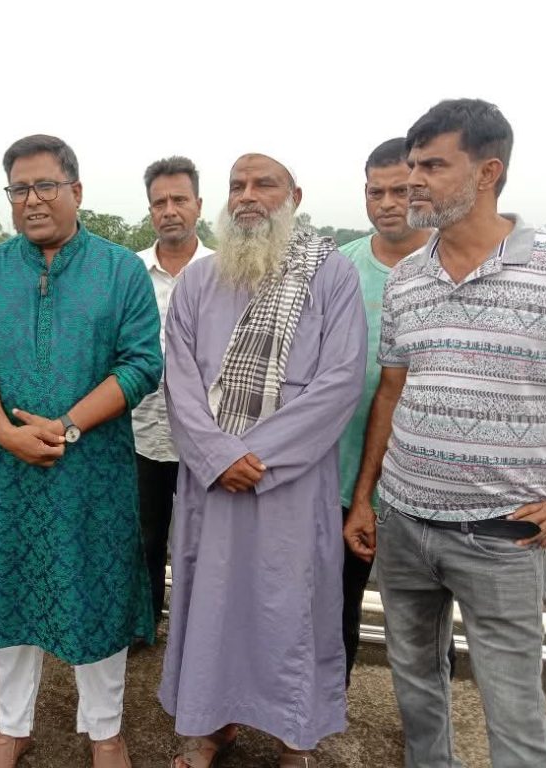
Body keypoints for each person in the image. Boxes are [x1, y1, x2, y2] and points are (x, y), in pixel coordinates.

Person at [344, 98, 546, 768]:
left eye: (432, 166)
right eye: (412, 165)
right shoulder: (407, 278)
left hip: (503, 533)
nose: (413, 181)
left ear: (487, 172)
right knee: (415, 686)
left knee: (514, 709)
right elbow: (391, 390)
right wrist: (365, 498)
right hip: (405, 523)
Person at [0, 134, 162, 768]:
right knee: (10, 592)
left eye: (45, 185)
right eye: (19, 189)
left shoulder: (119, 269)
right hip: (9, 469)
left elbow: (141, 364)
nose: (32, 199)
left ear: (76, 190)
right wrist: (3, 431)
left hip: (92, 471)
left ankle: (105, 731)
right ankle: (11, 728)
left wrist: (67, 427)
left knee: (97, 593)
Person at [161, 153, 366, 768]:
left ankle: (292, 738)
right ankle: (210, 726)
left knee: (290, 609)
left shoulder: (331, 275)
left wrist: (258, 456)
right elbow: (179, 384)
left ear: (293, 197)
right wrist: (218, 455)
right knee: (211, 609)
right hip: (213, 484)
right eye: (237, 185)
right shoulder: (198, 281)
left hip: (290, 488)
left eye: (263, 184)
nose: (247, 195)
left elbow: (341, 381)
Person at [337, 139, 433, 684]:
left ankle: (427, 725)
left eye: (401, 190)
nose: (389, 203)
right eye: (377, 192)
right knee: (338, 605)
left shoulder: (448, 264)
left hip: (424, 481)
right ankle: (328, 711)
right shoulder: (339, 269)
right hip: (343, 475)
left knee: (422, 622)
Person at [132, 156, 213, 628]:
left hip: (204, 434)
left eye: (179, 199)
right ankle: (143, 623)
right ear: (150, 211)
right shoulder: (131, 272)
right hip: (140, 429)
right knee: (143, 534)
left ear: (198, 204)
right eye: (159, 202)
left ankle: (194, 630)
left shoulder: (223, 271)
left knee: (201, 538)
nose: (169, 210)